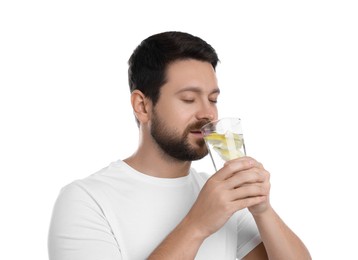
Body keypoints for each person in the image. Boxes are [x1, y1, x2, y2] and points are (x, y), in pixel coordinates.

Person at [48, 31, 311, 260]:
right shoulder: (86, 200)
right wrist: (197, 225)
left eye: (213, 99)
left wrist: (262, 208)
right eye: (188, 99)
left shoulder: (219, 193)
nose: (208, 113)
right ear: (142, 106)